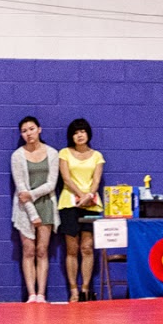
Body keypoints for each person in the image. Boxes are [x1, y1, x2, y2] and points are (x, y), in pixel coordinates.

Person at [11, 115, 58, 303]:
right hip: (25, 208)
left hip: (46, 204)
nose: (28, 133)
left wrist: (33, 195)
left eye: (31, 129)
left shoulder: (53, 154)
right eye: (24, 131)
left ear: (39, 129)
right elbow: (21, 188)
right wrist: (32, 212)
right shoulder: (17, 156)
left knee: (42, 250)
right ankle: (31, 294)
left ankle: (41, 294)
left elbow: (51, 184)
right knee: (28, 250)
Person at [57, 118, 104, 302]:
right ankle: (74, 290)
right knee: (72, 248)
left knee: (87, 247)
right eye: (76, 132)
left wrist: (89, 196)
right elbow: (66, 179)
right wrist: (79, 195)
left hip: (91, 205)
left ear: (88, 134)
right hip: (69, 203)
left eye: (83, 131)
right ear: (71, 136)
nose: (80, 135)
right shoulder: (64, 153)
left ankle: (85, 288)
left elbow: (96, 181)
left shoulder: (97, 156)